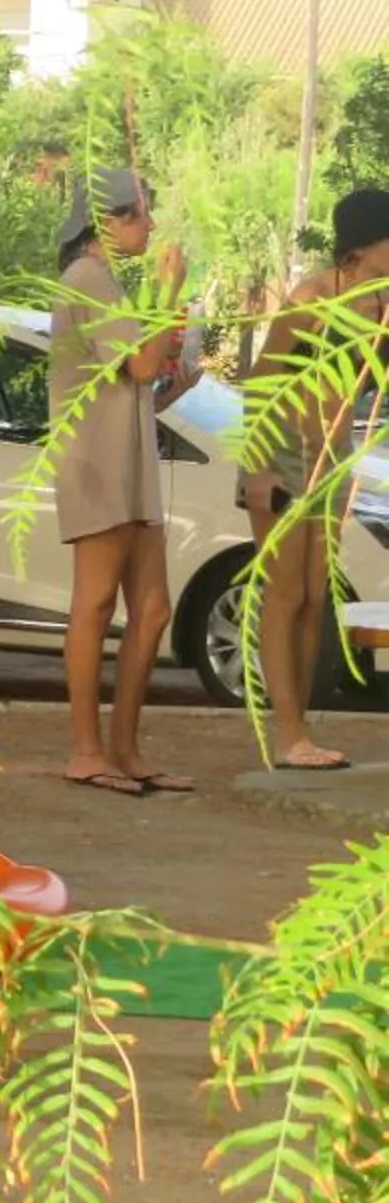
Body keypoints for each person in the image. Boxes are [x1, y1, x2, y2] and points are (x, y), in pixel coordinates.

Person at [48, 166, 196, 796]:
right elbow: (137, 363)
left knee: (153, 608)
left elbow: (135, 385)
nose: (150, 225)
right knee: (97, 602)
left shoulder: (105, 282)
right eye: (138, 214)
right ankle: (87, 749)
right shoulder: (85, 279)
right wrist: (167, 291)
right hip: (96, 464)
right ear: (103, 223)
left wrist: (174, 378)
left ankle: (125, 748)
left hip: (129, 462)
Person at [238, 186, 389, 771]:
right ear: (365, 244)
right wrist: (257, 467)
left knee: (316, 595)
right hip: (282, 451)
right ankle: (287, 733)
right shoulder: (310, 300)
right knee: (286, 593)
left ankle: (299, 728)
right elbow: (261, 380)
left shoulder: (378, 304)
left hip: (333, 455)